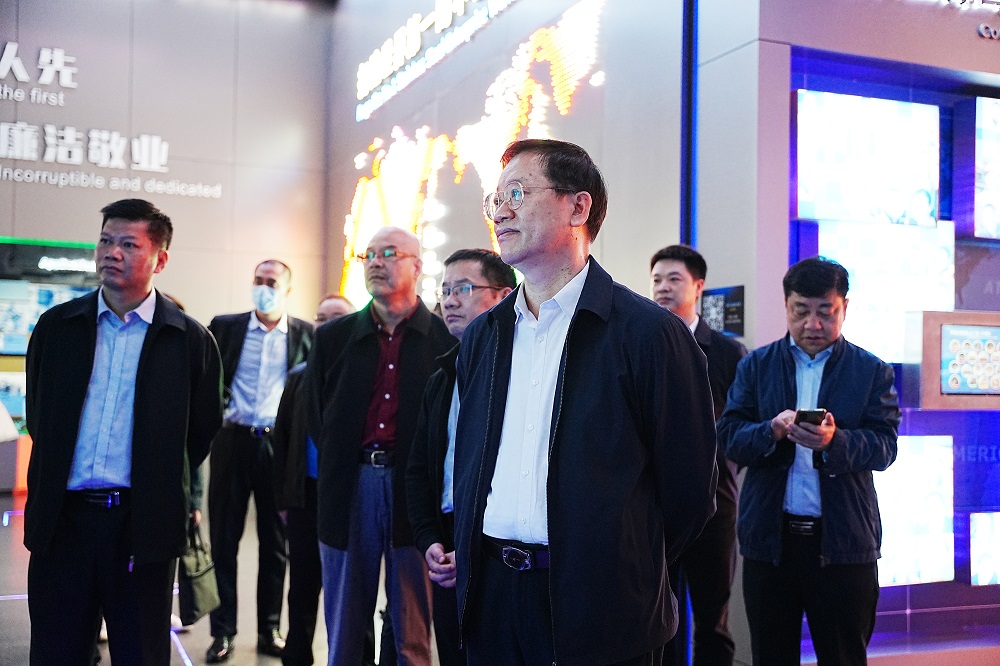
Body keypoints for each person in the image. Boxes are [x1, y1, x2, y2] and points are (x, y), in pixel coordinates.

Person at [453, 139, 718, 664]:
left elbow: (689, 493)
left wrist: (623, 560)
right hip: (494, 600)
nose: (500, 212)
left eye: (517, 193)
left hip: (603, 605)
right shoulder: (484, 335)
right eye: (495, 200)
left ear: (578, 207)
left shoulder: (649, 334)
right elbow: (471, 463)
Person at [24, 198, 223, 665]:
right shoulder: (58, 328)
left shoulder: (189, 340)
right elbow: (40, 414)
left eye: (129, 244)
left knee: (140, 653)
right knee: (56, 651)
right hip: (63, 522)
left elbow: (201, 431)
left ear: (160, 259)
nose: (112, 252)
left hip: (142, 527)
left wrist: (158, 480)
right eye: (105, 240)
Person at [717, 256, 900, 666]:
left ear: (844, 308)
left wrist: (835, 441)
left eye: (825, 312)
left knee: (843, 656)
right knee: (771, 656)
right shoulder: (755, 365)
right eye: (801, 311)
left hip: (843, 544)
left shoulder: (872, 371)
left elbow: (885, 447)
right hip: (771, 542)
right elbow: (728, 437)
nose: (812, 324)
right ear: (786, 306)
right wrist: (770, 431)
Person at [305, 226, 456, 666]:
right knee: (345, 628)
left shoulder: (443, 339)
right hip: (350, 486)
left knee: (412, 629)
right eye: (369, 254)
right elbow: (317, 416)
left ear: (417, 266)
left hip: (417, 493)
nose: (375, 262)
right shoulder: (333, 338)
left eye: (389, 253)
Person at [405, 249, 515, 666]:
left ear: (504, 295)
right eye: (445, 290)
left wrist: (473, 549)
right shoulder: (442, 377)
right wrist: (430, 540)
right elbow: (420, 470)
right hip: (448, 541)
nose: (449, 300)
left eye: (464, 289)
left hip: (501, 549)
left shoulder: (521, 373)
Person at [206, 260, 314, 662]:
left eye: (271, 282)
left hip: (278, 447)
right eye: (258, 280)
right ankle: (222, 632)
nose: (263, 287)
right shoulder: (225, 327)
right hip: (232, 440)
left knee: (275, 543)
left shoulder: (306, 334)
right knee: (224, 540)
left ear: (287, 290)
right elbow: (207, 378)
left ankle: (270, 628)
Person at [650, 245, 746, 666]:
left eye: (674, 279)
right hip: (657, 507)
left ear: (698, 286)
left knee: (713, 619)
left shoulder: (727, 352)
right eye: (656, 280)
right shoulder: (644, 341)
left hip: (714, 505)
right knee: (659, 618)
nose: (663, 288)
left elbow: (740, 423)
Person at [272, 294, 356, 666]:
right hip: (305, 495)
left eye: (337, 317)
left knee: (351, 587)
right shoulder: (299, 376)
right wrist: (283, 498)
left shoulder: (363, 374)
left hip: (350, 497)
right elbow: (282, 440)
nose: (327, 324)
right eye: (321, 317)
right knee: (303, 585)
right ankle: (297, 656)